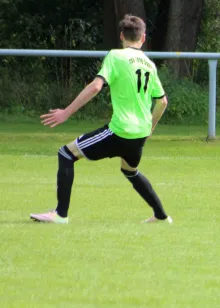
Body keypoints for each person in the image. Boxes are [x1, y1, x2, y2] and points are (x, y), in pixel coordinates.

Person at [30, 14, 172, 224]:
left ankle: (60, 214)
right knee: (130, 171)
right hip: (140, 132)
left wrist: (65, 112)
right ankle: (161, 216)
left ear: (122, 36)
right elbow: (163, 102)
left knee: (66, 154)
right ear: (143, 38)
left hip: (120, 130)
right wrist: (150, 128)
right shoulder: (149, 64)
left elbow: (96, 86)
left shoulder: (116, 56)